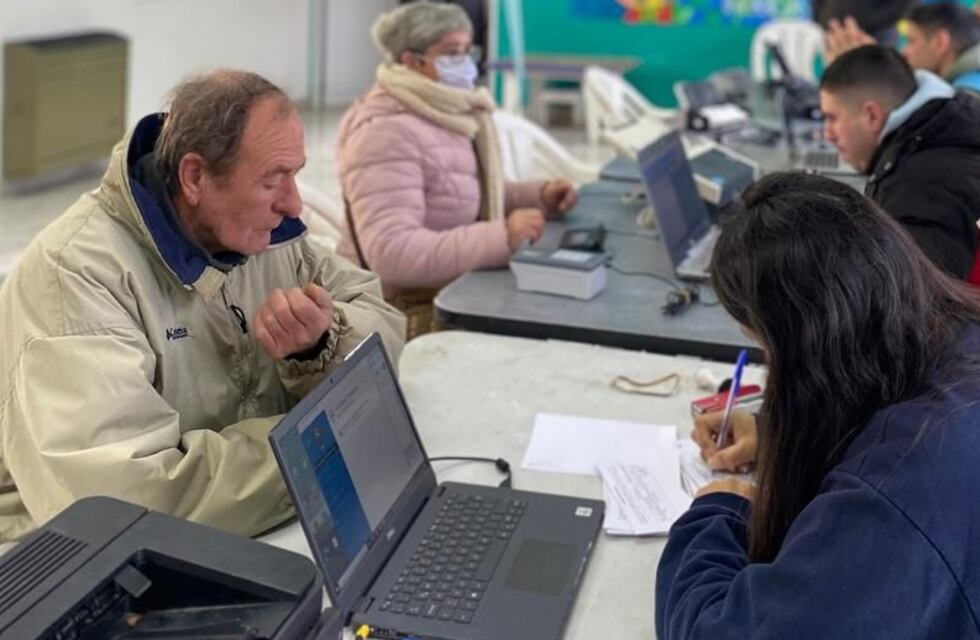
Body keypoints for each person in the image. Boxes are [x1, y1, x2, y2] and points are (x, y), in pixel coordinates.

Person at [0, 70, 405, 544]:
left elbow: (379, 321)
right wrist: (324, 442)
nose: (294, 205)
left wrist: (321, 344)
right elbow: (119, 503)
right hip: (73, 559)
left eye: (295, 175)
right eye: (273, 180)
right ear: (194, 176)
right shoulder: (72, 274)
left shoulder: (268, 237)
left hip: (248, 523)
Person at [656, 172, 980, 638]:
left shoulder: (890, 496)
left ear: (802, 347)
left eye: (767, 349)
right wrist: (775, 435)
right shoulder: (952, 336)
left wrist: (716, 513)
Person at [336, 1, 578, 336]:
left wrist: (539, 197)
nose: (464, 63)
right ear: (411, 60)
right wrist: (502, 236)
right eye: (451, 53)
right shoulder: (386, 131)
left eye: (467, 51)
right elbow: (392, 253)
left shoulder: (446, 110)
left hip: (452, 287)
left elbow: (467, 192)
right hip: (401, 310)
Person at [819, 44, 980, 278]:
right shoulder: (941, 130)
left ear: (872, 115)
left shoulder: (919, 186)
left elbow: (918, 301)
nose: (828, 134)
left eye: (832, 119)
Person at [825, 2, 980, 93]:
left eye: (911, 41)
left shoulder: (967, 95)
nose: (904, 51)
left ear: (940, 42)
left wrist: (870, 74)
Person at [815, 0, 916, 48]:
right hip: (832, 31)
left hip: (877, 35)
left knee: (874, 80)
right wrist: (822, 19)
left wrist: (861, 26)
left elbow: (901, 7)